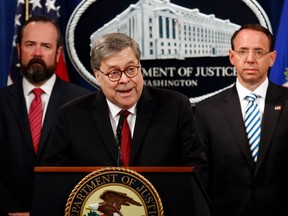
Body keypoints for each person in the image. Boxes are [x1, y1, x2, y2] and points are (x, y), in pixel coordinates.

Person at [39, 32, 207, 214]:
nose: (125, 80)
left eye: (131, 69)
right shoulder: (71, 116)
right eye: (114, 73)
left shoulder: (174, 106)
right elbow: (54, 180)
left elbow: (195, 171)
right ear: (97, 74)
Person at [194, 23, 288, 216]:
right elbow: (200, 176)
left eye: (259, 52)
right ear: (232, 57)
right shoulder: (207, 110)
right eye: (243, 51)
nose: (250, 59)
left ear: (272, 58)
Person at [0, 15, 90, 215]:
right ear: (18, 50)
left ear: (58, 54)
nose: (37, 53)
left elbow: (85, 168)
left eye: (46, 46)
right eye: (30, 44)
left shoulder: (84, 103)